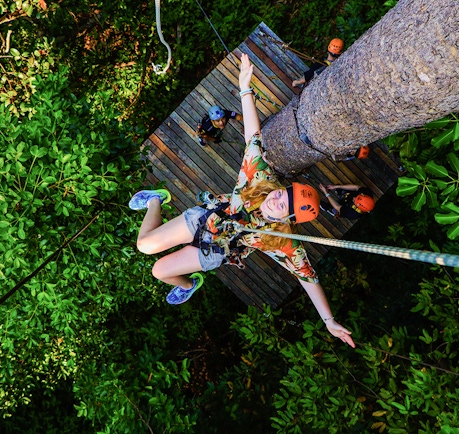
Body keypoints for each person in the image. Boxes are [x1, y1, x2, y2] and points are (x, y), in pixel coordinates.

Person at [129, 53, 354, 348]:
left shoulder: (283, 241)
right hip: (204, 219)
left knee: (159, 272)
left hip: (216, 251)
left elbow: (309, 279)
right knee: (144, 245)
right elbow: (254, 137)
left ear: (288, 220)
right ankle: (157, 200)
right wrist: (245, 88)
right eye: (281, 193)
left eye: (283, 206)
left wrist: (328, 321)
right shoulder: (259, 179)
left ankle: (188, 284)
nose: (275, 199)